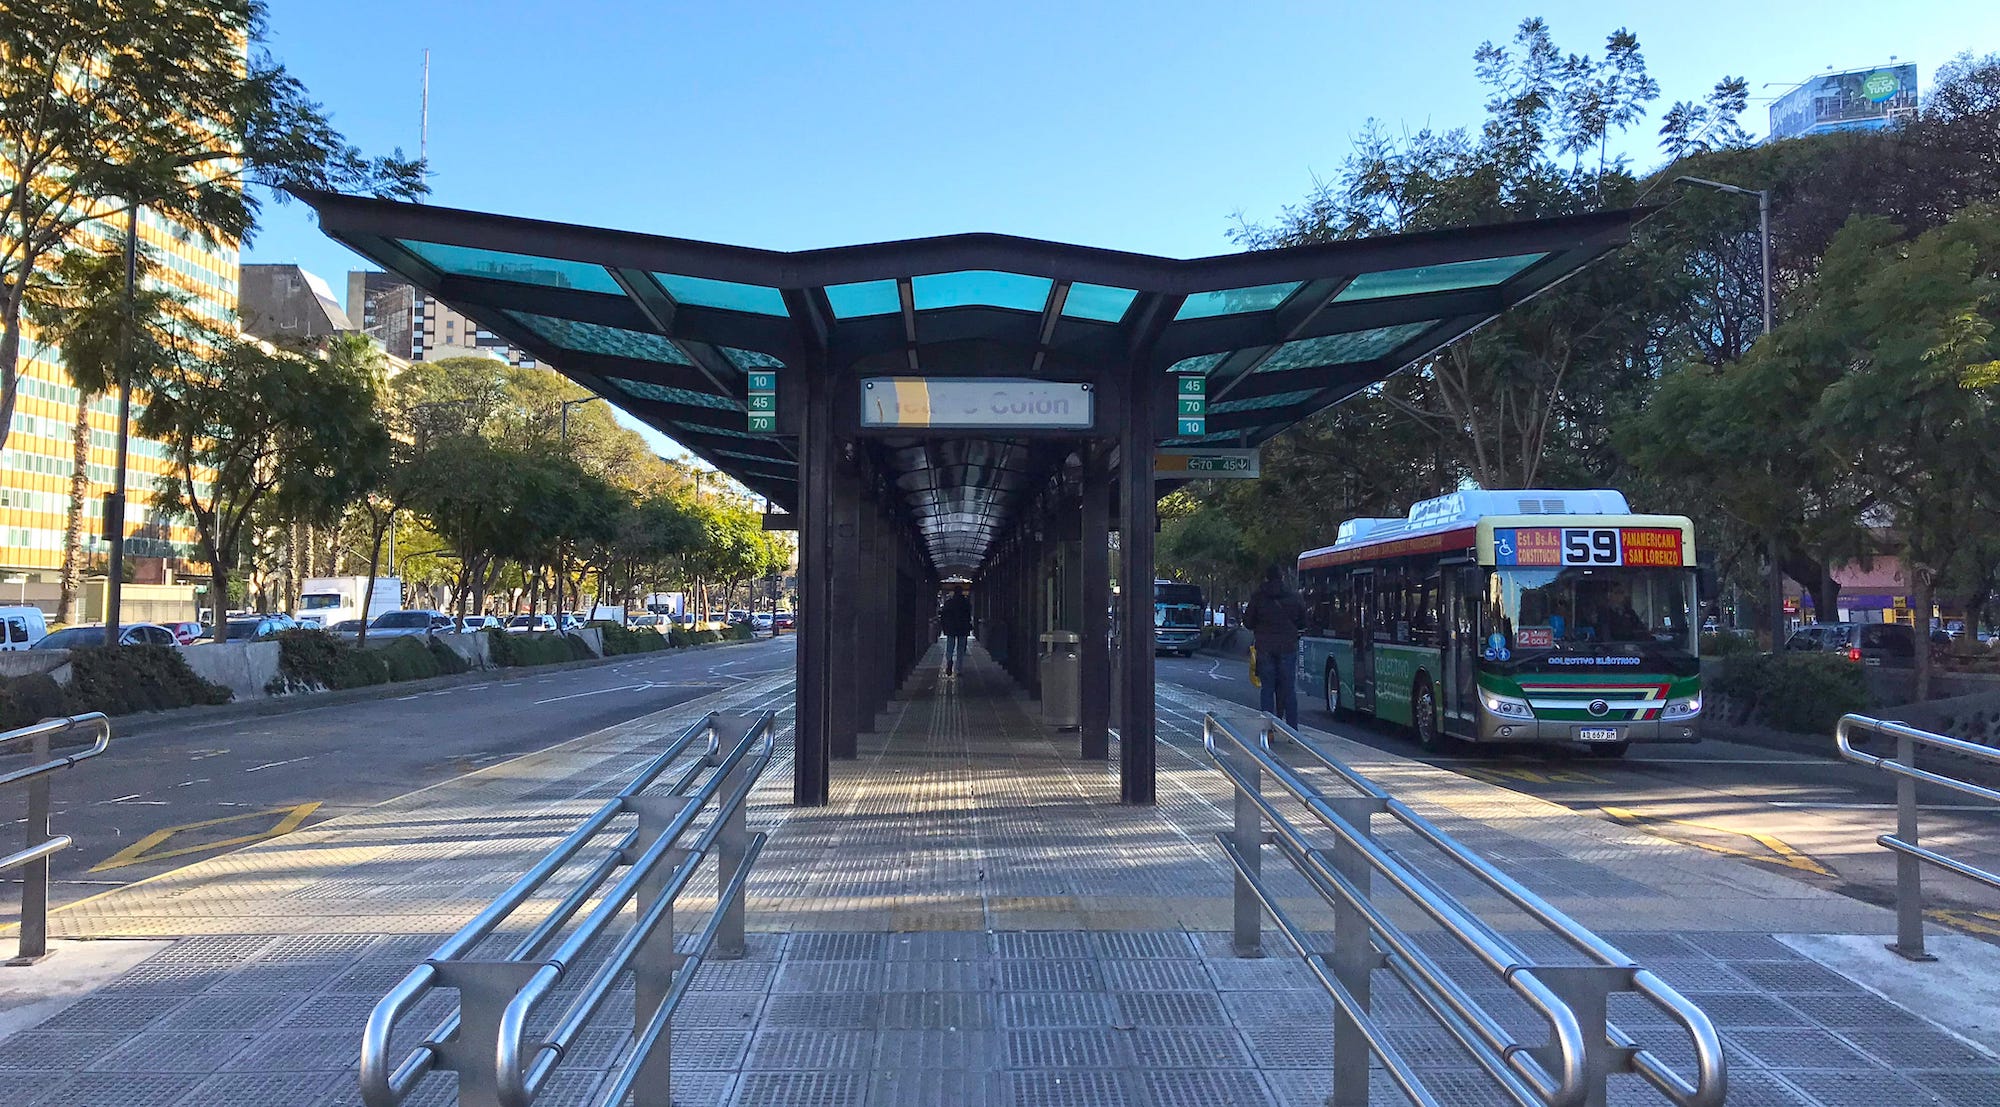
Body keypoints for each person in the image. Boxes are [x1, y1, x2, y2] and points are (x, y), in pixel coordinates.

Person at [1244, 565, 1308, 726]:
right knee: (1288, 689)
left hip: (1265, 647)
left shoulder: (1258, 597)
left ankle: (1268, 728)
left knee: (1267, 688)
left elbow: (1248, 622)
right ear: (1282, 577)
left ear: (1266, 578)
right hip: (1287, 647)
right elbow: (1303, 621)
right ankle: (1292, 729)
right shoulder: (1293, 596)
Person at [938, 588, 973, 677]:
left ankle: (949, 660)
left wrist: (944, 626)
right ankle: (959, 669)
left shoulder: (949, 603)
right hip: (963, 628)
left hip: (951, 628)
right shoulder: (966, 603)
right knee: (961, 649)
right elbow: (969, 615)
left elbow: (943, 615)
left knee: (950, 646)